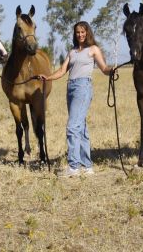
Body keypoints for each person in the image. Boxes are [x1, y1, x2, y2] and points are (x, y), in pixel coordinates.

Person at [39, 21, 113, 178]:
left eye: (83, 32)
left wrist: (111, 70)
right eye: (77, 32)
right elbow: (62, 70)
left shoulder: (93, 49)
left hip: (83, 87)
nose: (80, 35)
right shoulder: (72, 52)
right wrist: (48, 77)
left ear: (87, 33)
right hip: (71, 88)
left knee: (72, 127)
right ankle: (87, 166)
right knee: (81, 128)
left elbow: (104, 68)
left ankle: (73, 166)